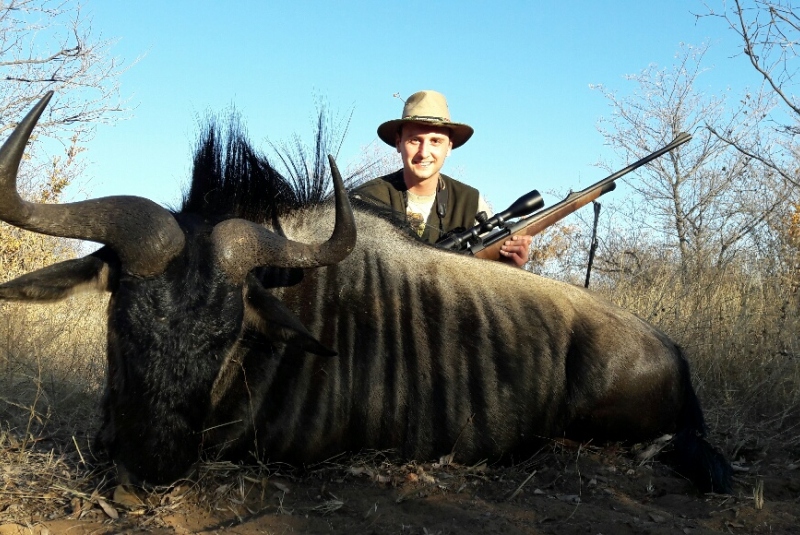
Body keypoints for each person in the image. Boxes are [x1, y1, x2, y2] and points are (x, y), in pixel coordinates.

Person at [353, 90, 532, 267]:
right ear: (399, 143)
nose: (424, 153)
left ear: (449, 147)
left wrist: (512, 265)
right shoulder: (364, 198)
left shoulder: (470, 201)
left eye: (435, 141)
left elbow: (492, 271)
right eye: (414, 140)